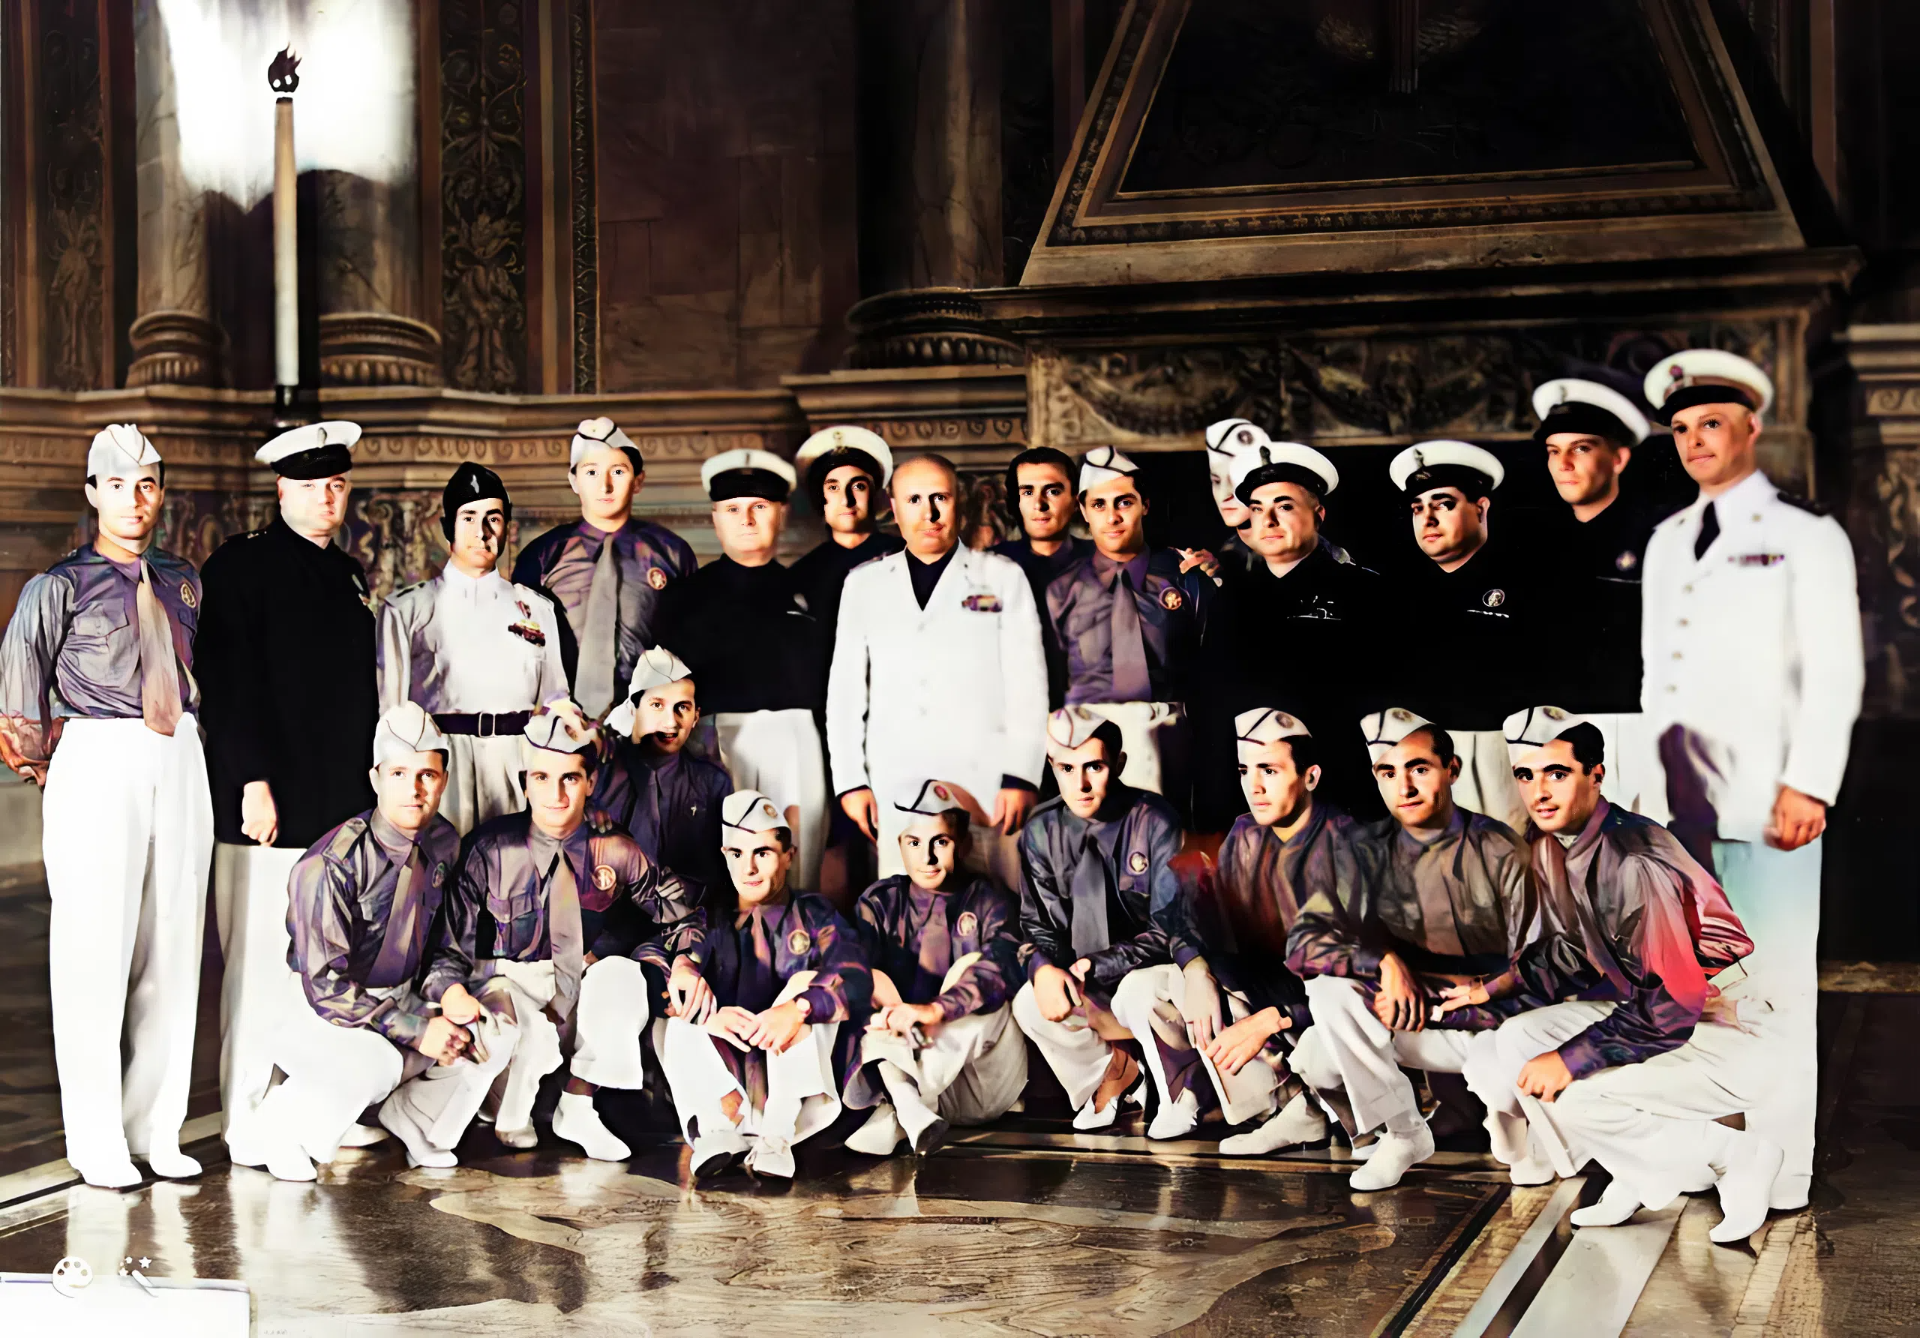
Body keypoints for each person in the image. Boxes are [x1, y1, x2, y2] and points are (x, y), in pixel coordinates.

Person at [1637, 348, 1863, 1214]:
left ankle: (1784, 1162)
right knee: (1700, 987)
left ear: (1752, 428)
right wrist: (1650, 802)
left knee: (1775, 990)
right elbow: (1658, 679)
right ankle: (1721, 1151)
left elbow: (1834, 669)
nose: (1696, 440)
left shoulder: (1805, 535)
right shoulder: (1668, 541)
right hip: (1682, 810)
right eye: (1682, 428)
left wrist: (1810, 782)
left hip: (1768, 803)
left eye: (1712, 424)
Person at [1453, 707, 1778, 1242]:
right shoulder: (1561, 844)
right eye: (1526, 775)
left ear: (1595, 775)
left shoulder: (1632, 860)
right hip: (1670, 1012)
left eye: (1557, 773)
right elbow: (1575, 952)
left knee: (1574, 1090)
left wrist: (1569, 1059)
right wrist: (1492, 988)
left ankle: (1738, 1156)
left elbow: (1675, 1000)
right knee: (1517, 1040)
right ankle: (1632, 1164)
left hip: (1732, 1024)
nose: (1539, 792)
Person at [0, 425, 210, 1188]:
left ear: (161, 494)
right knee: (93, 949)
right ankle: (96, 1140)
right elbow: (21, 682)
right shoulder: (57, 586)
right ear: (93, 493)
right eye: (117, 485)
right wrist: (43, 763)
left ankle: (157, 1128)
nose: (134, 500)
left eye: (147, 484)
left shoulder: (183, 579)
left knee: (175, 943)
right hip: (97, 751)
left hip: (179, 751)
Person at [195, 419, 380, 1166]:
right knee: (260, 970)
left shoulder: (346, 574)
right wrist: (251, 781)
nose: (326, 498)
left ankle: (314, 1098)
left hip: (336, 803)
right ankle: (245, 1118)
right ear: (281, 491)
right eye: (310, 486)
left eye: (336, 485)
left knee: (328, 962)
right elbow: (229, 686)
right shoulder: (241, 566)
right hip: (267, 805)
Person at [252, 705, 517, 1180]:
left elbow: (445, 945)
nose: (414, 790)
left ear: (444, 779)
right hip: (318, 1009)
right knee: (375, 1061)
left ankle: (415, 1119)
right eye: (398, 774)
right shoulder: (330, 864)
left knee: (493, 1027)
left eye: (426, 775)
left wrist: (449, 993)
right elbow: (327, 988)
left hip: (399, 994)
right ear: (376, 779)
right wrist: (417, 1030)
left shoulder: (443, 842)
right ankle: (281, 1125)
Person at [428, 710, 704, 1155]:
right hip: (509, 992)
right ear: (525, 783)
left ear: (590, 783)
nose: (555, 795)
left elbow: (680, 911)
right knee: (509, 1091)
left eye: (570, 779)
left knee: (622, 976)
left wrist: (687, 961)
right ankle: (504, 1105)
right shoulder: (490, 848)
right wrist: (450, 993)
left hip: (573, 990)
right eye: (542, 778)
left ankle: (577, 1105)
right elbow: (448, 945)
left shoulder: (614, 848)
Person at [1286, 715, 1533, 1190]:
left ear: (1452, 769)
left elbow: (1538, 966)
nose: (1404, 787)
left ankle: (1488, 1115)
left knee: (1521, 1155)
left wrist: (1462, 988)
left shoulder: (1501, 849)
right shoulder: (1362, 850)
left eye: (1419, 768)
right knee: (1321, 1034)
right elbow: (1304, 942)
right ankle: (1403, 1132)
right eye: (1388, 771)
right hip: (1410, 1017)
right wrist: (1385, 962)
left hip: (1489, 1024)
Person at [827, 453, 1048, 886]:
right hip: (896, 774)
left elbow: (1028, 682)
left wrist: (1022, 773)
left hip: (986, 775)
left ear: (958, 503)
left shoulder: (1001, 577)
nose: (928, 513)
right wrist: (850, 781)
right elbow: (846, 691)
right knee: (905, 900)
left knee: (997, 895)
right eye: (914, 500)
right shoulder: (864, 584)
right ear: (893, 508)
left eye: (939, 498)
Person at [659, 790, 873, 1180]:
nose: (749, 868)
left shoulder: (813, 913)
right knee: (677, 1010)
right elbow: (655, 954)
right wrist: (690, 985)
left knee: (809, 984)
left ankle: (776, 1137)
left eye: (763, 852)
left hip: (793, 1097)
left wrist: (799, 1008)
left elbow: (855, 972)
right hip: (731, 1086)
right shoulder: (706, 916)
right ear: (724, 855)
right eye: (736, 853)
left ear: (789, 855)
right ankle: (717, 1133)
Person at [1185, 708, 1367, 1157]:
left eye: (1269, 770)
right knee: (1185, 981)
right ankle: (1294, 1107)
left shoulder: (1348, 846)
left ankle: (1365, 1123)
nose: (1254, 786)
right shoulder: (1245, 833)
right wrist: (1196, 968)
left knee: (1319, 1044)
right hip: (1285, 988)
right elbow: (1205, 924)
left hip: (1342, 1003)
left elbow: (1358, 982)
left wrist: (1275, 1017)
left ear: (1310, 777)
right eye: (1245, 771)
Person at [1010, 707, 1198, 1135]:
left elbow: (1172, 928)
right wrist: (1043, 968)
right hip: (1088, 980)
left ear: (1119, 763)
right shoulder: (1040, 830)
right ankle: (1117, 1071)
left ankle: (1177, 1081)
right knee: (1029, 1003)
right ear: (1052, 767)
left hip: (1151, 977)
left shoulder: (1155, 820)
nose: (1080, 784)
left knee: (1135, 992)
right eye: (1066, 768)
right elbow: (1036, 925)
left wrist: (1099, 965)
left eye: (1094, 767)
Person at [656, 448, 830, 889]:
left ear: (782, 514)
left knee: (797, 867)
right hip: (715, 742)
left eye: (760, 507)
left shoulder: (812, 589)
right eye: (733, 509)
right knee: (721, 867)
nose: (747, 520)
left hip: (797, 740)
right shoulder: (684, 598)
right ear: (715, 518)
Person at [378, 463, 570, 833]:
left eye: (493, 519)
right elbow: (392, 716)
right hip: (442, 764)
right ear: (448, 526)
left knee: (513, 863)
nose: (482, 533)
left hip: (518, 762)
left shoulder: (537, 609)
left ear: (507, 527)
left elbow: (555, 702)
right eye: (468, 518)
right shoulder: (407, 610)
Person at [842, 780, 1028, 1157]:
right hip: (911, 1067)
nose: (927, 858)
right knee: (867, 984)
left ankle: (902, 1105)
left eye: (940, 842)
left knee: (972, 967)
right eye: (914, 843)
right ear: (899, 845)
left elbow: (998, 970)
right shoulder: (879, 903)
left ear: (963, 844)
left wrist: (935, 1010)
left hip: (981, 1086)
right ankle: (912, 1113)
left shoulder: (990, 901)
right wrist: (888, 1005)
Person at [1204, 439, 1384, 818]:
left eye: (1284, 506)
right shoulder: (1231, 597)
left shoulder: (1364, 591)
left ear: (1318, 515)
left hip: (1344, 791)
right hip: (1254, 799)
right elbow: (1216, 709)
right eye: (1257, 509)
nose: (1267, 521)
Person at [1044, 445, 1212, 809]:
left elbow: (1214, 667)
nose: (1112, 517)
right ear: (1083, 511)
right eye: (1099, 505)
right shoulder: (1060, 590)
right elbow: (1048, 683)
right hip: (1087, 741)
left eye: (1124, 502)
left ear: (1145, 505)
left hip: (1168, 735)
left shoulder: (1186, 578)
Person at [1531, 378, 1665, 815]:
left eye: (1581, 448)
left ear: (1619, 458)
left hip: (1641, 733)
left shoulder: (1660, 539)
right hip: (1559, 738)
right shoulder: (1537, 545)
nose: (1564, 464)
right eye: (1553, 451)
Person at [1384, 440, 1531, 831]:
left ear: (1481, 508)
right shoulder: (1398, 595)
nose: (1428, 519)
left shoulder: (1525, 583)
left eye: (1444, 504)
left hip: (1507, 757)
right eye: (1418, 508)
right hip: (1424, 764)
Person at [511, 417, 698, 719]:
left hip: (647, 718)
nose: (605, 485)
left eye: (618, 471)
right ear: (574, 481)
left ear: (638, 481)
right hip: (560, 718)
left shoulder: (671, 552)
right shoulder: (542, 555)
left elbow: (690, 645)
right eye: (591, 472)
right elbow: (520, 648)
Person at [595, 647, 732, 905]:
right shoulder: (599, 774)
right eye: (657, 705)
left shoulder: (713, 784)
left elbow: (728, 869)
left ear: (696, 717)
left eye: (683, 708)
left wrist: (694, 888)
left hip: (684, 920)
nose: (671, 722)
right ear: (633, 709)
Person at [787, 425, 903, 640]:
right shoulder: (801, 576)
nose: (846, 500)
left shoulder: (907, 558)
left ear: (874, 494)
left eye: (858, 486)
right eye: (833, 488)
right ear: (820, 499)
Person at [992, 445, 1094, 621]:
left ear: (1076, 502)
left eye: (1053, 491)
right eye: (1028, 492)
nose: (1039, 504)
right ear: (1014, 503)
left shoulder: (1103, 562)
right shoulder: (988, 565)